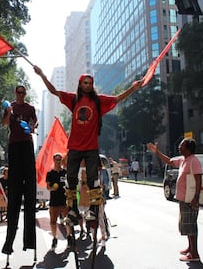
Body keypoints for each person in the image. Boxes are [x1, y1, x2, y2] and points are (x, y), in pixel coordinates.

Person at [34, 65, 143, 227]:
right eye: (85, 83)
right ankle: (73, 210)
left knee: (93, 179)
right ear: (80, 85)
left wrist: (133, 88)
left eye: (90, 83)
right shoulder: (74, 99)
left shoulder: (99, 102)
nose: (88, 85)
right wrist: (42, 74)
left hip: (91, 147)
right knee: (70, 178)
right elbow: (54, 91)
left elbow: (118, 98)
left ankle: (93, 209)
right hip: (75, 147)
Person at [147, 138, 202, 262]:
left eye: (181, 145)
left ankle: (194, 254)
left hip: (190, 200)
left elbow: (198, 179)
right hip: (184, 199)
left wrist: (196, 198)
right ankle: (190, 248)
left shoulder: (194, 161)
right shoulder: (184, 160)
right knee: (186, 225)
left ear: (188, 148)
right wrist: (157, 152)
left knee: (191, 226)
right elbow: (169, 161)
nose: (179, 147)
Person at [1, 85, 38, 255]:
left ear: (25, 94)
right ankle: (9, 242)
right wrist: (8, 113)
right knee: (14, 195)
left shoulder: (30, 108)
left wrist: (31, 127)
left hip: (27, 146)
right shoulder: (11, 107)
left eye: (23, 93)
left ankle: (29, 243)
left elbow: (34, 122)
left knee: (30, 193)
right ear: (15, 93)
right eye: (19, 92)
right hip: (14, 147)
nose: (21, 95)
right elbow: (3, 124)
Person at [46, 153, 71, 250]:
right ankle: (54, 238)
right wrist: (53, 188)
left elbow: (69, 184)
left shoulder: (65, 173)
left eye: (59, 160)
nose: (58, 161)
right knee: (53, 222)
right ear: (53, 160)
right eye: (56, 159)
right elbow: (48, 187)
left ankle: (69, 236)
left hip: (64, 200)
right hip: (54, 201)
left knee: (67, 221)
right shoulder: (50, 173)